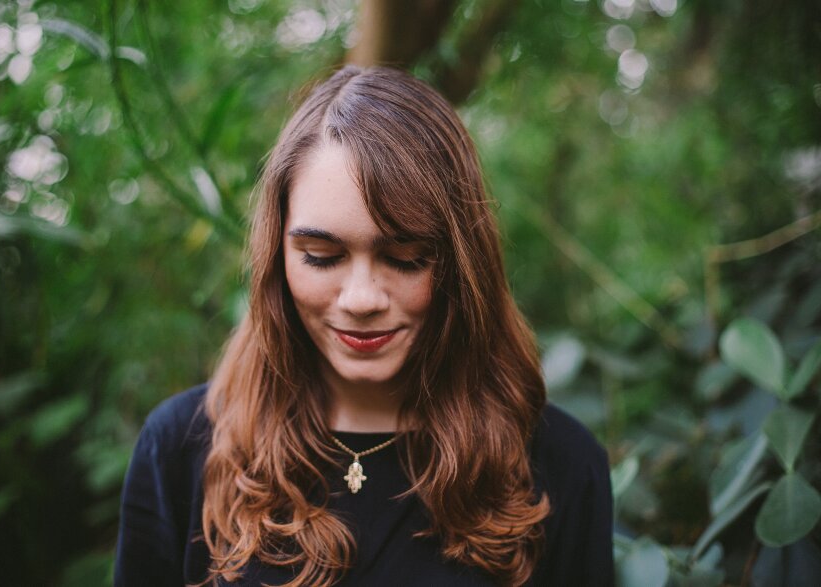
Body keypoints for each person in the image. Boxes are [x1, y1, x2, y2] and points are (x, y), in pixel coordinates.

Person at [114, 65, 613, 587]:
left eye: (404, 258)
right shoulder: (179, 448)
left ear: (462, 263)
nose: (361, 300)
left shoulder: (559, 463)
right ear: (276, 255)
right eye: (322, 257)